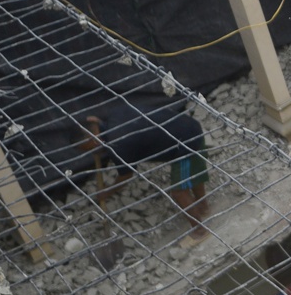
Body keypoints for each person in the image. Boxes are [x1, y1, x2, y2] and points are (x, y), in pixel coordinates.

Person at [79, 100, 210, 240]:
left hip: (185, 145)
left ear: (94, 142)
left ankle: (199, 231)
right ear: (93, 120)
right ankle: (203, 206)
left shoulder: (117, 146)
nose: (94, 153)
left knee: (179, 191)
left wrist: (107, 192)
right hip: (189, 126)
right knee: (194, 172)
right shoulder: (115, 112)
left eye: (91, 149)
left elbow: (126, 175)